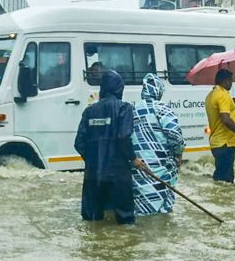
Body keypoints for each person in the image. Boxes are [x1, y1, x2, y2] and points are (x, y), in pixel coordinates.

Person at [74, 70, 146, 224]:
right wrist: (134, 159)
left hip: (93, 175)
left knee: (91, 221)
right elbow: (123, 137)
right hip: (118, 174)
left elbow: (78, 143)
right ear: (119, 89)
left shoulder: (89, 111)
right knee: (125, 222)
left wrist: (93, 159)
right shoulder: (124, 108)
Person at [131, 73, 185, 216]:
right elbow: (175, 136)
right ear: (159, 91)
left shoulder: (131, 109)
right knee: (163, 209)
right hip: (161, 168)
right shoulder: (162, 109)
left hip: (139, 168)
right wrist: (179, 153)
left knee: (142, 209)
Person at [205, 68, 235, 183]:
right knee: (226, 180)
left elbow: (219, 113)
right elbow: (225, 119)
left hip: (217, 143)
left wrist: (231, 103)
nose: (232, 83)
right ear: (226, 80)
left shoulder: (211, 95)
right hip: (225, 143)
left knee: (220, 178)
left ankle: (218, 200)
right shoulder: (223, 95)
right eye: (231, 81)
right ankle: (226, 200)